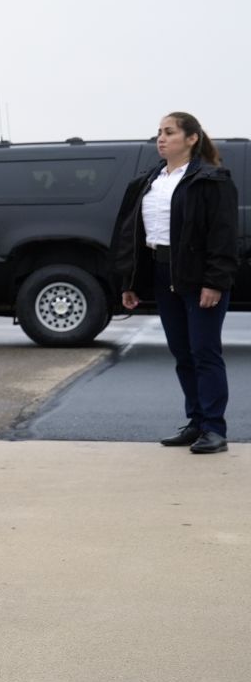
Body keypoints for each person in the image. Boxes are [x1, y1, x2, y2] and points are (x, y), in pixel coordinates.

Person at [113, 112, 238, 454]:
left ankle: (215, 429)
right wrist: (130, 282)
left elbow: (224, 236)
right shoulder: (149, 181)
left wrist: (214, 282)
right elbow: (132, 235)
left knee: (204, 352)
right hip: (161, 273)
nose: (161, 138)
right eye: (159, 133)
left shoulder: (212, 179)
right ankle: (196, 422)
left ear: (192, 138)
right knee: (182, 354)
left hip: (199, 279)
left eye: (169, 132)